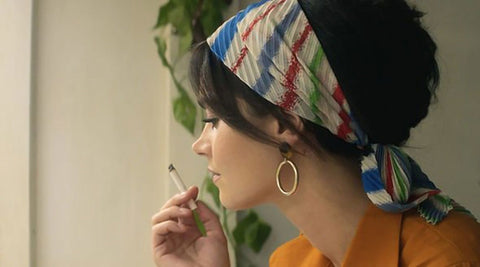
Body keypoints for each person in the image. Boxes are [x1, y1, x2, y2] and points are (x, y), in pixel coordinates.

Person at [151, 0, 480, 266]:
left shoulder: (449, 257)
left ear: (285, 121)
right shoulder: (289, 261)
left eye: (214, 120)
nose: (199, 145)